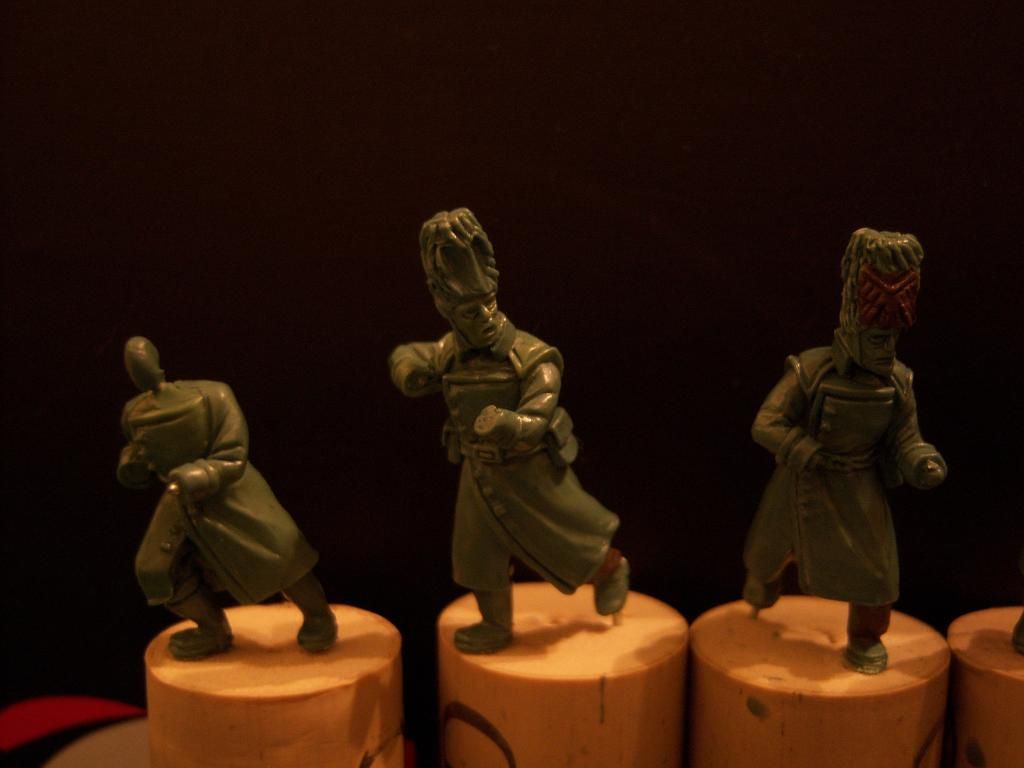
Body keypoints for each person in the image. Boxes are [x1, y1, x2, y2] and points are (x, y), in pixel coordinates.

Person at [389, 208, 629, 654]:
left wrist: (508, 423)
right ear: (447, 309)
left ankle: (610, 569)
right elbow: (407, 354)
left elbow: (538, 416)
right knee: (476, 554)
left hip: (529, 472)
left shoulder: (532, 357)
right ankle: (495, 623)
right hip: (478, 474)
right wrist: (408, 371)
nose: (483, 316)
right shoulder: (448, 351)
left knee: (568, 539)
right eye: (468, 310)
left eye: (488, 303)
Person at [742, 228, 946, 674]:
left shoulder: (898, 382)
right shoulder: (812, 371)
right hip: (804, 481)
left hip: (860, 487)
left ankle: (866, 636)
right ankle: (764, 581)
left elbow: (906, 436)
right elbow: (766, 423)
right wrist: (802, 448)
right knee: (769, 550)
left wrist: (921, 461)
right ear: (853, 332)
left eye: (892, 340)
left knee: (877, 575)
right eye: (877, 340)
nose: (887, 350)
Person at [118, 336, 337, 660]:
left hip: (232, 491)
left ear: (157, 363)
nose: (140, 371)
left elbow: (233, 454)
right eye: (133, 367)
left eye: (142, 362)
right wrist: (134, 465)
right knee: (155, 568)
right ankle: (212, 628)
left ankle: (317, 615)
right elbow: (138, 453)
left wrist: (198, 474)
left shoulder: (213, 395)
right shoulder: (133, 411)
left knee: (282, 551)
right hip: (181, 501)